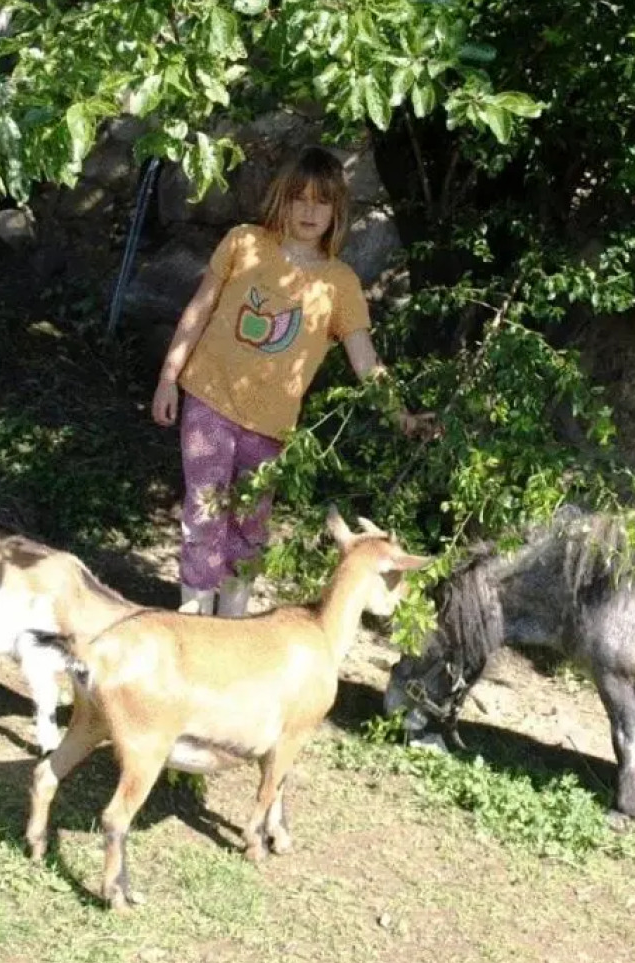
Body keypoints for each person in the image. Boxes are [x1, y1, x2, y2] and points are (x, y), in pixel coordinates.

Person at [151, 145, 432, 617]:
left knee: (250, 529)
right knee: (204, 515)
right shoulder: (245, 243)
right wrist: (168, 377)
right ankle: (192, 626)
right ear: (281, 197)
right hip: (209, 402)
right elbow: (198, 311)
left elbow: (365, 360)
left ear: (336, 211)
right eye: (299, 198)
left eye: (321, 201)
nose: (308, 210)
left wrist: (399, 415)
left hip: (271, 427)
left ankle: (232, 626)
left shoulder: (339, 283)